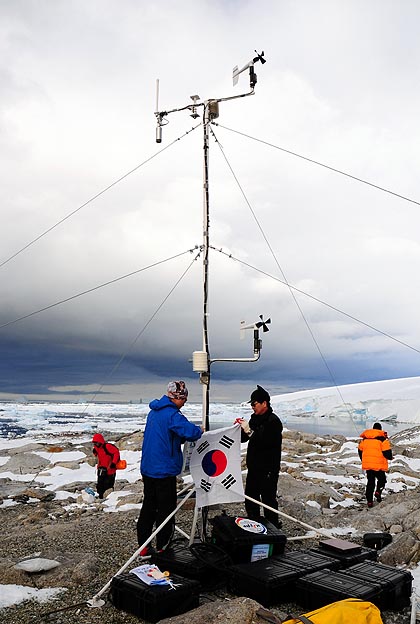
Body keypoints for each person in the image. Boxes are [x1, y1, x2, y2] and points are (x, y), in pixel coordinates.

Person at [137, 380, 203, 555]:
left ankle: (143, 546)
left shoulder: (154, 412)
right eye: (184, 399)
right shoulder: (172, 414)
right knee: (166, 510)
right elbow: (191, 432)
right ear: (176, 397)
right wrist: (201, 430)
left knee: (149, 506)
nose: (185, 402)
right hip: (164, 469)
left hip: (149, 468)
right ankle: (163, 547)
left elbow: (167, 435)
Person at [236, 385, 283, 527]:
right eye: (251, 404)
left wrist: (249, 430)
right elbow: (245, 438)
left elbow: (264, 441)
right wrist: (239, 430)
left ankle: (273, 528)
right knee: (251, 498)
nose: (252, 407)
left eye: (254, 404)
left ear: (264, 403)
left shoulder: (273, 422)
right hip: (254, 467)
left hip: (268, 468)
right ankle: (254, 526)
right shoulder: (255, 419)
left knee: (268, 499)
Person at [358, 422, 392, 508]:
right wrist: (391, 457)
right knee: (382, 480)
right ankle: (378, 492)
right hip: (379, 466)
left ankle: (369, 501)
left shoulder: (365, 439)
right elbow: (387, 453)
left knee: (370, 482)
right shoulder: (383, 440)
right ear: (380, 429)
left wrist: (364, 460)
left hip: (369, 466)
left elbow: (360, 450)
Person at [92, 433, 120, 499]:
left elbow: (116, 452)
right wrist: (95, 452)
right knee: (100, 485)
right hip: (101, 469)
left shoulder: (107, 446)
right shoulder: (97, 448)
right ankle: (101, 497)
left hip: (110, 469)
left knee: (108, 485)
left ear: (100, 441)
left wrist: (114, 463)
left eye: (96, 442)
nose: (95, 444)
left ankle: (109, 500)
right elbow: (98, 455)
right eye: (94, 442)